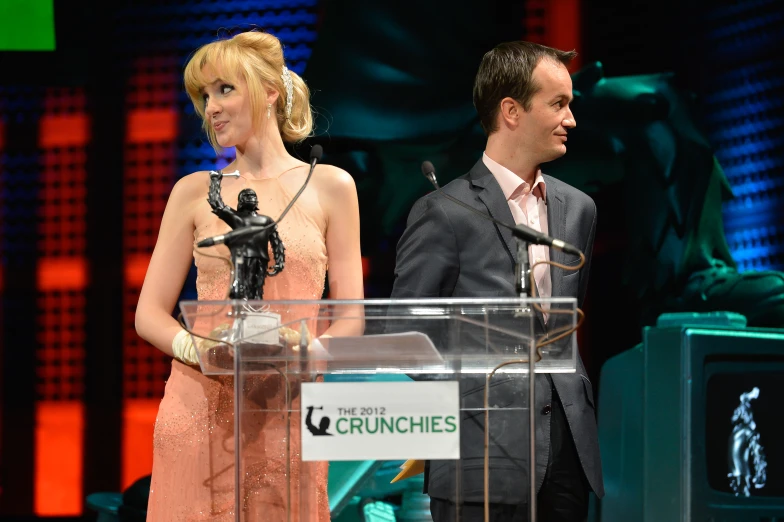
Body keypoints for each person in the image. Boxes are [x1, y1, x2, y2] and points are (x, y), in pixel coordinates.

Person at [135, 30, 363, 521]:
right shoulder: (195, 192)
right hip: (198, 406)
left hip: (288, 410)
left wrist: (304, 348)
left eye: (224, 89)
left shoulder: (330, 186)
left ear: (269, 93)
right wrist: (197, 348)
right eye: (203, 95)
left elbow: (351, 320)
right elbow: (148, 314)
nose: (210, 108)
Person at [391, 41, 603, 521]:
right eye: (558, 104)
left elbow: (564, 325)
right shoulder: (444, 210)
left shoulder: (579, 208)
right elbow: (402, 334)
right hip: (478, 451)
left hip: (567, 452)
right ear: (511, 110)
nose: (570, 120)